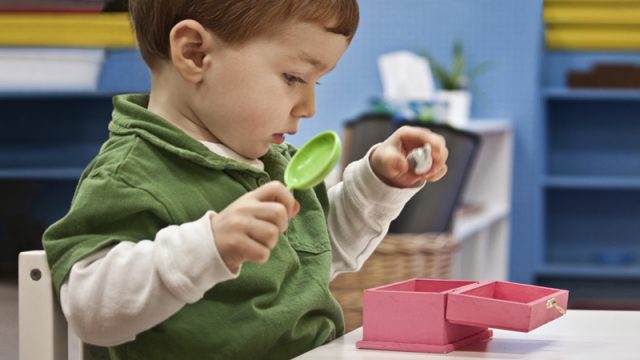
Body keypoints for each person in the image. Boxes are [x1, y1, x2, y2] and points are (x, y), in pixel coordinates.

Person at [42, 0, 449, 359]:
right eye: (293, 77)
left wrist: (378, 181)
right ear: (195, 53)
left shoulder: (266, 162)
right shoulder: (130, 175)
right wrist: (210, 246)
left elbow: (323, 249)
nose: (308, 106)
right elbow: (90, 308)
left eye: (315, 82)